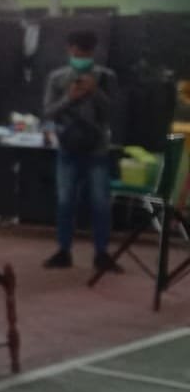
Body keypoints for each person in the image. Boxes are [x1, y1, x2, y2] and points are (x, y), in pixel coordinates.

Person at [43, 29, 120, 272]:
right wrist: (69, 97)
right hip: (68, 147)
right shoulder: (57, 78)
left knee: (100, 203)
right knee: (65, 201)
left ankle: (101, 253)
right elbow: (48, 111)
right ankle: (63, 251)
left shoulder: (106, 77)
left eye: (85, 53)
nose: (81, 57)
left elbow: (113, 112)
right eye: (77, 52)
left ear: (93, 52)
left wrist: (95, 91)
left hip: (97, 149)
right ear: (69, 50)